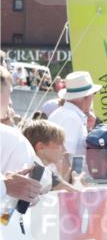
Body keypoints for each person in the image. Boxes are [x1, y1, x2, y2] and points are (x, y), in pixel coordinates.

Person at [0, 66, 44, 206]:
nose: (11, 102)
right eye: (9, 93)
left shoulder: (11, 136)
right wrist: (5, 186)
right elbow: (29, 193)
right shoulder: (12, 138)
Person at [47, 70, 101, 180]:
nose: (94, 97)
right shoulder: (72, 118)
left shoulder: (63, 114)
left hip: (60, 181)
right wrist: (70, 187)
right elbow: (63, 157)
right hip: (67, 183)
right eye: (93, 94)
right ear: (86, 97)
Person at [20, 119, 83, 192]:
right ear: (41, 147)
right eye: (60, 144)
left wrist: (67, 180)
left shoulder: (33, 166)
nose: (64, 150)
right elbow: (77, 193)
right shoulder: (40, 170)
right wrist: (77, 182)